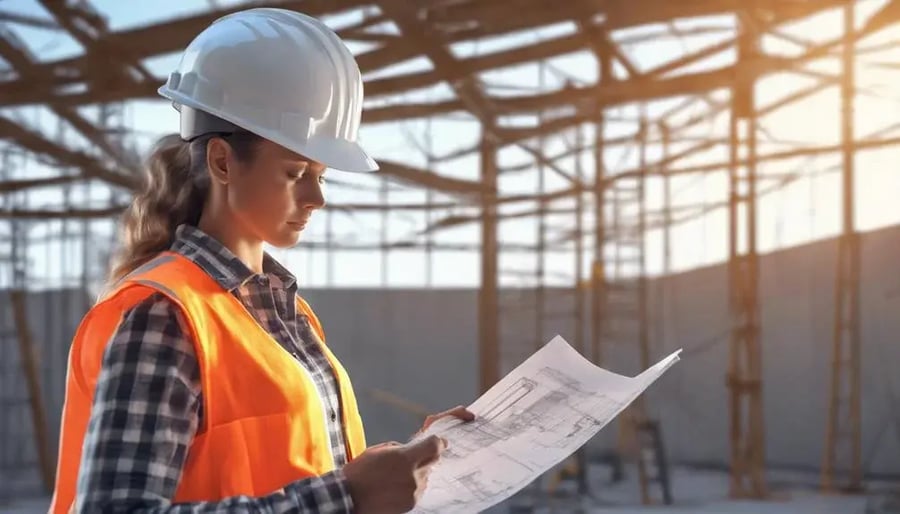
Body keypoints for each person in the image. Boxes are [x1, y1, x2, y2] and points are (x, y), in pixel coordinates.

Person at [49, 8, 474, 514]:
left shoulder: (284, 314)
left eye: (322, 174)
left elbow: (294, 469)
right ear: (223, 162)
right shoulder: (166, 317)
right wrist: (345, 495)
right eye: (296, 172)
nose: (317, 197)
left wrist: (398, 468)